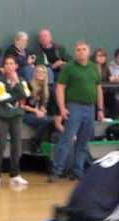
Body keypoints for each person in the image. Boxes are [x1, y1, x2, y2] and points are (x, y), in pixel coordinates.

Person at [49, 41, 104, 183]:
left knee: (83, 142)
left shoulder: (93, 67)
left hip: (90, 108)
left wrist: (100, 109)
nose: (81, 52)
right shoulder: (69, 68)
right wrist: (62, 108)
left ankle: (78, 172)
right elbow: (60, 88)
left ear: (88, 51)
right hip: (74, 107)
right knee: (66, 139)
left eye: (83, 49)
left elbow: (98, 88)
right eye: (78, 50)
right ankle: (57, 170)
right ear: (75, 52)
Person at [0, 55, 30, 187]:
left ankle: (15, 174)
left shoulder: (21, 80)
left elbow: (25, 95)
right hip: (1, 116)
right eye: (6, 63)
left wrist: (17, 84)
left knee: (16, 145)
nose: (9, 66)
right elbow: (0, 97)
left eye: (11, 63)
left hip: (16, 116)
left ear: (16, 66)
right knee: (1, 145)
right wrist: (16, 96)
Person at [22, 65, 55, 153]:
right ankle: (35, 142)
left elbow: (45, 106)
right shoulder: (29, 85)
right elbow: (22, 105)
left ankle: (42, 143)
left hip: (38, 114)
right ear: (34, 74)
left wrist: (43, 109)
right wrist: (35, 111)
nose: (40, 74)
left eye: (43, 72)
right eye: (38, 71)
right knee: (45, 120)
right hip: (26, 113)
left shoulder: (47, 89)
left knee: (52, 119)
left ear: (46, 75)